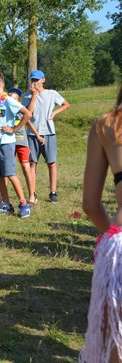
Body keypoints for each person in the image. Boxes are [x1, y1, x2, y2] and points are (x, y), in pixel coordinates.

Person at [80, 84, 122, 362]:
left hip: (119, 247)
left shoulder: (106, 125)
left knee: (115, 342)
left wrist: (112, 236)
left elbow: (90, 205)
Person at [0, 74, 32, 218]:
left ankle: (24, 204)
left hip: (6, 142)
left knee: (10, 174)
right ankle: (6, 204)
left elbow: (27, 114)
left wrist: (14, 129)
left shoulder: (8, 101)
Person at [21, 69, 70, 203]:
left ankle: (53, 192)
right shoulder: (27, 96)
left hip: (49, 132)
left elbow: (66, 104)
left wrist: (55, 113)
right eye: (32, 80)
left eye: (37, 80)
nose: (35, 83)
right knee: (32, 163)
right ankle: (33, 192)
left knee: (51, 162)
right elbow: (28, 114)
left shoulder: (51, 94)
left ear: (43, 80)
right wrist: (34, 95)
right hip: (32, 133)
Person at [7, 87, 44, 205]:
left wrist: (38, 135)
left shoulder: (21, 110)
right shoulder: (6, 111)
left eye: (15, 99)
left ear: (18, 101)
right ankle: (4, 198)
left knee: (26, 167)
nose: (12, 101)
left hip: (22, 142)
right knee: (7, 170)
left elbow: (29, 123)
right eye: (10, 98)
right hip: (9, 142)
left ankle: (32, 195)